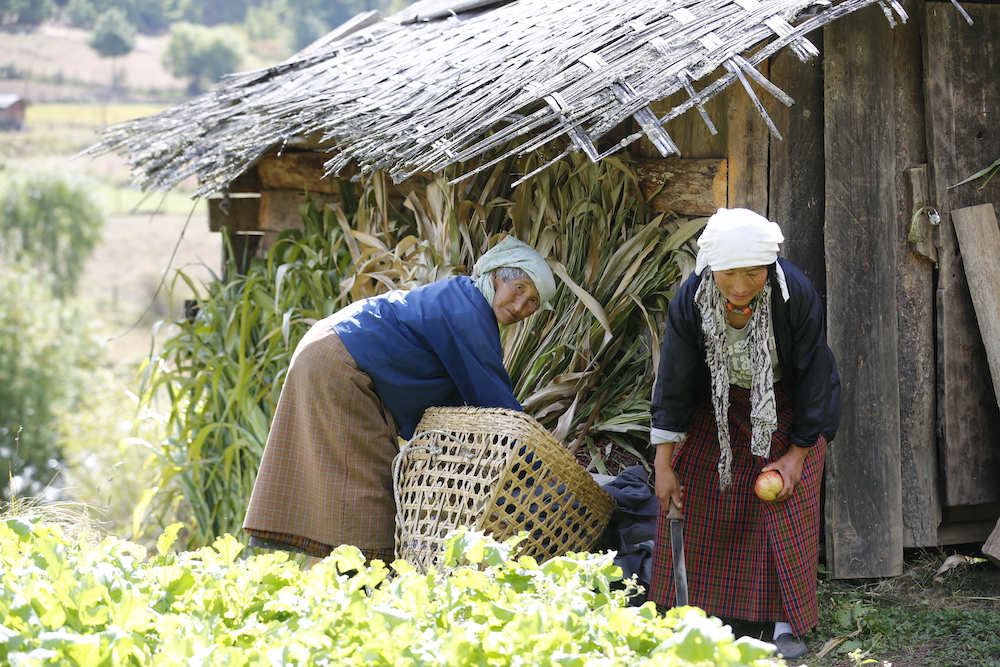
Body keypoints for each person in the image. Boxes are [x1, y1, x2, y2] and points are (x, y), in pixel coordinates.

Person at [243, 234, 557, 563]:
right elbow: (497, 408)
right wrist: (541, 467)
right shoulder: (468, 312)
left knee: (356, 478)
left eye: (533, 301)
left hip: (333, 352)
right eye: (519, 289)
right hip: (340, 361)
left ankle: (340, 576)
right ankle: (361, 578)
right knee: (370, 484)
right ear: (495, 276)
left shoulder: (463, 299)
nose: (521, 306)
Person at [648, 208, 840, 660]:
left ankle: (786, 622)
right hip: (716, 404)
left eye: (753, 272)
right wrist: (663, 465)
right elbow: (673, 380)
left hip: (786, 405)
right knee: (692, 488)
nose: (739, 285)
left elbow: (814, 375)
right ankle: (692, 609)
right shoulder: (691, 299)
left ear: (769, 267)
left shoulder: (794, 295)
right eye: (728, 273)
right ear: (710, 268)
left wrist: (796, 454)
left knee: (787, 507)